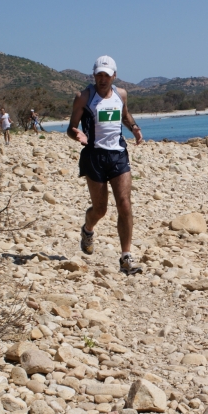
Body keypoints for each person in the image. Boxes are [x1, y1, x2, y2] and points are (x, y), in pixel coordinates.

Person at [67, 55, 143, 275]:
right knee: (100, 209)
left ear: (114, 76)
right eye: (99, 74)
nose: (102, 79)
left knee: (125, 204)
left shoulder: (121, 95)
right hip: (94, 156)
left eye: (106, 75)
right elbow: (71, 128)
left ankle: (126, 257)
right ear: (94, 75)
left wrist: (135, 128)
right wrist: (76, 135)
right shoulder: (83, 97)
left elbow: (125, 115)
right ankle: (87, 229)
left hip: (118, 155)